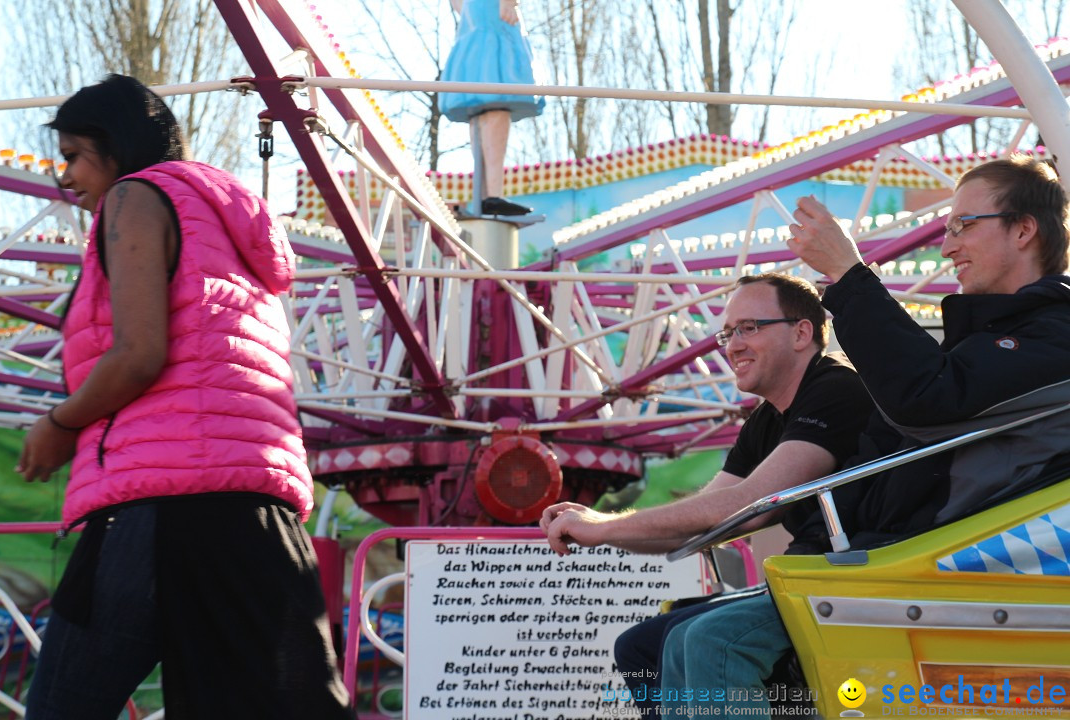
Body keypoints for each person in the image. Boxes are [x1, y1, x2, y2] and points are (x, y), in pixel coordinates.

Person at [659, 154, 1070, 720]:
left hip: (947, 555)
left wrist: (849, 277)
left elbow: (928, 400)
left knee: (712, 642)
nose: (947, 246)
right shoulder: (981, 343)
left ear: (1024, 229)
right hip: (891, 545)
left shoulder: (1053, 334)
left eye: (962, 225)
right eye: (728, 332)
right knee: (662, 640)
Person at [17, 75, 354, 720]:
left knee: (63, 707)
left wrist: (60, 424)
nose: (65, 177)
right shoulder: (226, 226)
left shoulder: (135, 198)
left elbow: (139, 354)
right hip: (258, 511)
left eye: (73, 156)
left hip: (160, 504)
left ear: (114, 147)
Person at [540, 272, 874, 718]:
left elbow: (751, 506)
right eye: (727, 333)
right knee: (640, 647)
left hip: (859, 572)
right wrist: (596, 530)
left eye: (748, 328)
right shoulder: (765, 420)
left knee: (709, 641)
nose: (732, 345)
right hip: (805, 576)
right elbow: (702, 528)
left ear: (801, 332)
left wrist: (605, 525)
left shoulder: (836, 389)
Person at [440, 0, 545, 216]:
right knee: (497, 96)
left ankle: (485, 194)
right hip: (494, 13)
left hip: (475, 15)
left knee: (482, 105)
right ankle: (492, 195)